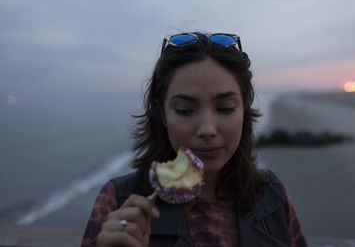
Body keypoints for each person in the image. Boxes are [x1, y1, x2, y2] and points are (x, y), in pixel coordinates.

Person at [81, 32, 308, 247]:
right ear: (162, 114)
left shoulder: (272, 196)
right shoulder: (117, 201)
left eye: (225, 108)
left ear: (244, 112)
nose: (207, 129)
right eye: (185, 110)